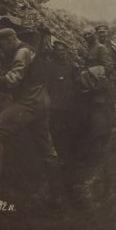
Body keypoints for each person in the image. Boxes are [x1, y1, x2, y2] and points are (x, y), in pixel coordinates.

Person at [0, 28, 62, 203]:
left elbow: (13, 80)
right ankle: (57, 197)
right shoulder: (28, 49)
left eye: (2, 45)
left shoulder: (22, 52)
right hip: (42, 102)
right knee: (47, 151)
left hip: (29, 102)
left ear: (10, 40)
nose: (2, 50)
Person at [77, 27, 114, 166]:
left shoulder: (100, 48)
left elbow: (109, 67)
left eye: (89, 34)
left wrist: (91, 75)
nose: (87, 36)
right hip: (91, 91)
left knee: (100, 122)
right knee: (91, 122)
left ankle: (100, 159)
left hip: (100, 91)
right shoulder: (90, 49)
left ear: (94, 35)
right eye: (84, 34)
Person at [45, 40, 79, 169]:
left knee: (70, 130)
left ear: (66, 51)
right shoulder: (50, 65)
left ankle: (70, 158)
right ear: (55, 52)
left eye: (63, 50)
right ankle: (59, 157)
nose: (61, 53)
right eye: (58, 50)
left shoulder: (72, 65)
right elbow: (47, 84)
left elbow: (77, 83)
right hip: (55, 105)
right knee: (56, 131)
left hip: (69, 104)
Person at [95, 23, 116, 99]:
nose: (102, 34)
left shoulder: (113, 45)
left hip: (112, 72)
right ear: (97, 34)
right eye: (100, 32)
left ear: (107, 32)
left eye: (104, 32)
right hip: (99, 74)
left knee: (115, 92)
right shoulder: (94, 47)